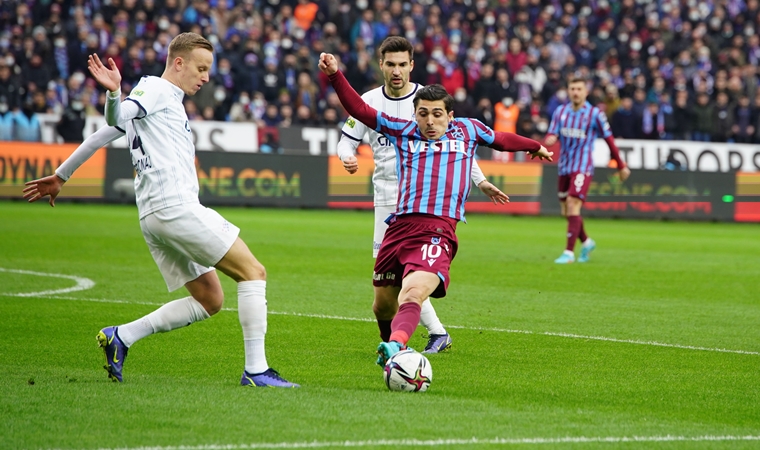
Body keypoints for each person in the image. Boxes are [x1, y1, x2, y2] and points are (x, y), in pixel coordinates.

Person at [22, 33, 298, 388]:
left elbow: (103, 133)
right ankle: (257, 371)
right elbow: (117, 113)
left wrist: (62, 175)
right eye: (201, 68)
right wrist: (111, 93)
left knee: (210, 299)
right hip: (174, 207)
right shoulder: (156, 89)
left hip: (153, 215)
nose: (206, 77)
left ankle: (121, 337)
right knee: (253, 272)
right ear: (178, 63)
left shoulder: (158, 100)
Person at [318, 52, 553, 365]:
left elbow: (501, 139)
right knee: (382, 306)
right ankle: (391, 347)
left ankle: (398, 347)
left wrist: (533, 146)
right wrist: (335, 74)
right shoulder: (402, 131)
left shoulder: (468, 130)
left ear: (450, 116)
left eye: (438, 114)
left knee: (412, 293)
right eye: (424, 114)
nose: (430, 121)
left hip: (437, 230)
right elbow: (359, 110)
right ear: (415, 115)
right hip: (398, 228)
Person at [336, 36, 509, 355]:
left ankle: (431, 334)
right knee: (389, 280)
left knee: (409, 276)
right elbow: (347, 138)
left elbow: (457, 147)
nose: (397, 70)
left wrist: (480, 180)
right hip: (386, 198)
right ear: (382, 65)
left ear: (412, 65)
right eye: (391, 64)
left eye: (403, 64)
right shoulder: (370, 99)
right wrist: (346, 154)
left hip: (423, 201)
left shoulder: (427, 102)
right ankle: (417, 337)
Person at [543, 77, 631, 264]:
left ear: (586, 92)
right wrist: (551, 138)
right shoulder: (560, 112)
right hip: (564, 166)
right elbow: (552, 132)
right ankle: (587, 241)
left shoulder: (595, 114)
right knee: (567, 211)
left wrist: (621, 165)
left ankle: (568, 253)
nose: (575, 92)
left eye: (579, 89)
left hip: (583, 166)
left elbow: (609, 140)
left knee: (573, 203)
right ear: (568, 91)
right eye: (572, 88)